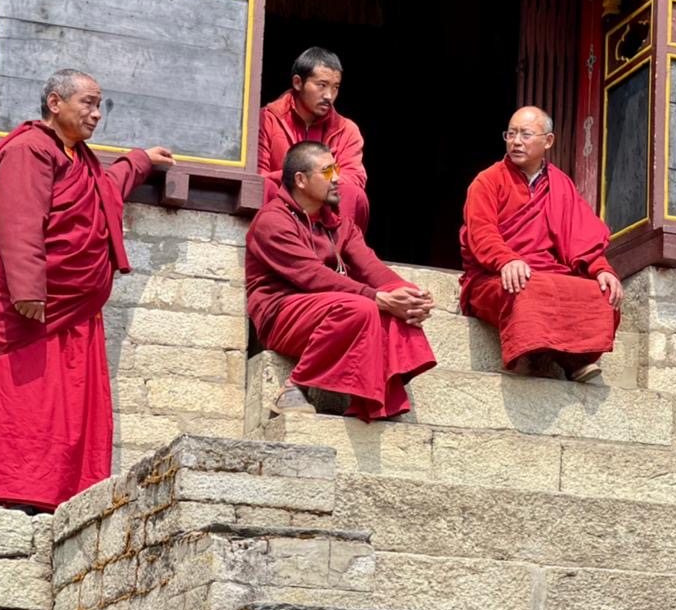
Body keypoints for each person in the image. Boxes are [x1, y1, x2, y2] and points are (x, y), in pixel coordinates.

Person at [0, 69, 174, 512]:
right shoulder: (28, 150)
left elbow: (105, 190)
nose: (97, 114)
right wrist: (28, 288)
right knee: (33, 397)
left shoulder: (78, 157)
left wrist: (140, 159)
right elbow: (19, 222)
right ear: (56, 103)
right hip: (40, 304)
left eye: (100, 105)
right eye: (88, 103)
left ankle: (60, 494)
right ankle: (20, 493)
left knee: (73, 401)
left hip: (76, 306)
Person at [246, 141, 436, 421]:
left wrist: (410, 295)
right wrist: (377, 298)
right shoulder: (272, 220)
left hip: (329, 305)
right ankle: (293, 388)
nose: (337, 178)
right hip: (281, 315)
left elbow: (372, 268)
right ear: (300, 180)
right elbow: (313, 276)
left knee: (395, 299)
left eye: (336, 169)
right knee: (362, 307)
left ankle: (376, 400)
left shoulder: (338, 224)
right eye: (327, 171)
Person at [459, 105, 623, 381]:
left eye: (525, 134)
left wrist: (603, 269)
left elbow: (581, 238)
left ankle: (576, 356)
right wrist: (506, 259)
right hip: (496, 275)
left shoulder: (561, 185)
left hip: (547, 272)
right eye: (510, 134)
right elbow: (481, 233)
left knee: (600, 292)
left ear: (548, 141)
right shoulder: (487, 181)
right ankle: (526, 355)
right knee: (526, 287)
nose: (516, 142)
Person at [258, 46, 369, 230]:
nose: (329, 96)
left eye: (335, 88)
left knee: (353, 194)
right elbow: (259, 175)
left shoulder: (347, 130)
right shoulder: (267, 118)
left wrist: (313, 184)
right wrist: (301, 181)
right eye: (321, 85)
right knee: (264, 188)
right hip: (282, 204)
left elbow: (354, 177)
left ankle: (337, 252)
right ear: (297, 82)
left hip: (324, 210)